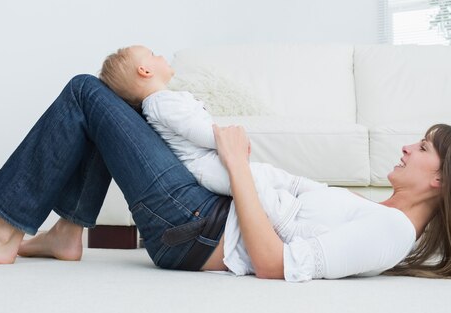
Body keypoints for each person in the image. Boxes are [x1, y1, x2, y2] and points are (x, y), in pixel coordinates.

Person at [0, 68, 451, 281]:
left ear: (442, 180)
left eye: (423, 147)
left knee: (89, 92)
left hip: (198, 231)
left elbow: (273, 265)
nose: (408, 147)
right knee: (117, 106)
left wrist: (239, 166)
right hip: (201, 216)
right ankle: (65, 232)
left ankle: (7, 232)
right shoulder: (384, 217)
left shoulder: (391, 234)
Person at [99, 45, 327, 248]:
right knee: (255, 188)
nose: (160, 55)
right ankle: (290, 229)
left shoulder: (164, 100)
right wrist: (227, 139)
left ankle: (305, 189)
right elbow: (197, 132)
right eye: (153, 54)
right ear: (145, 71)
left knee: (263, 174)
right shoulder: (161, 103)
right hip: (204, 166)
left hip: (210, 159)